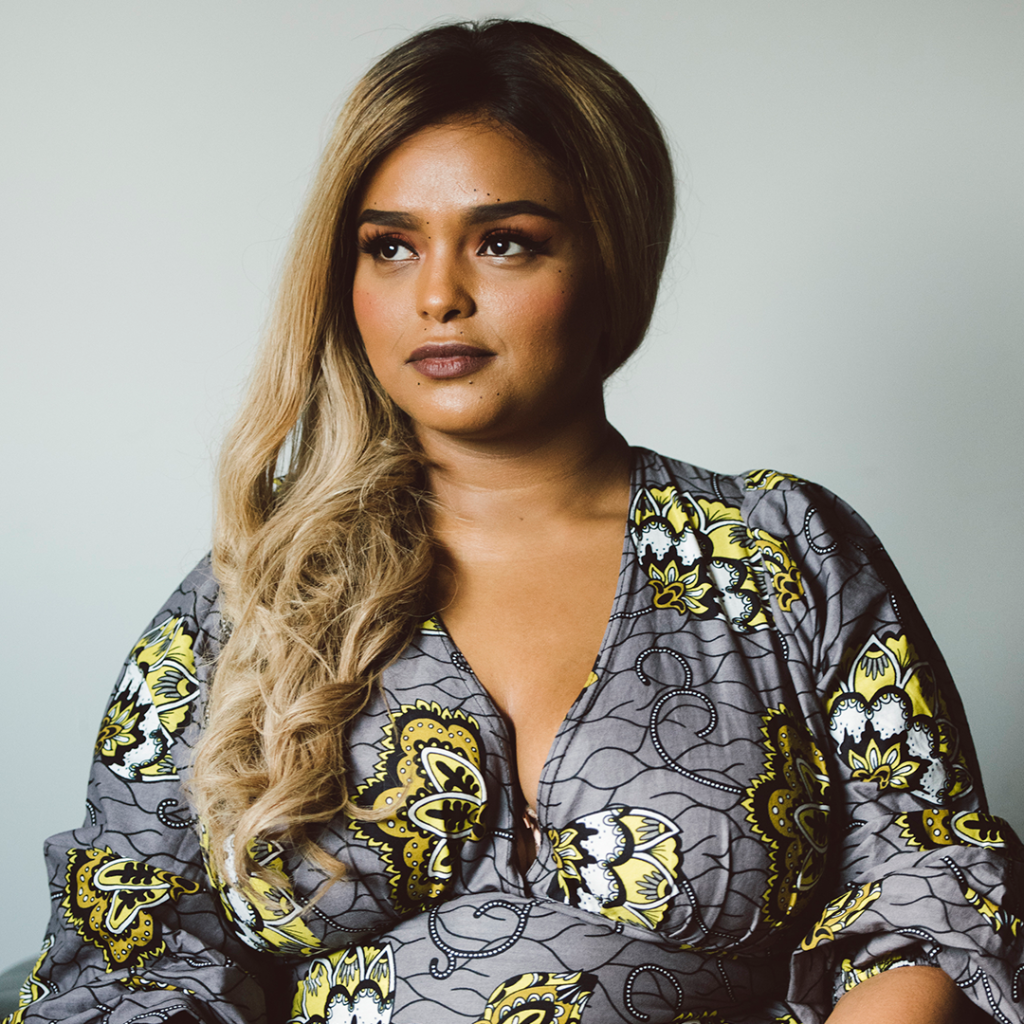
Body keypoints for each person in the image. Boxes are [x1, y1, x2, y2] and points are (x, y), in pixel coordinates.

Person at [7, 19, 1021, 1024]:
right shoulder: (257, 593)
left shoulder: (780, 554)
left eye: (504, 242)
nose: (438, 295)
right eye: (390, 247)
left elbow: (926, 896)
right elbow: (128, 948)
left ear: (612, 257)